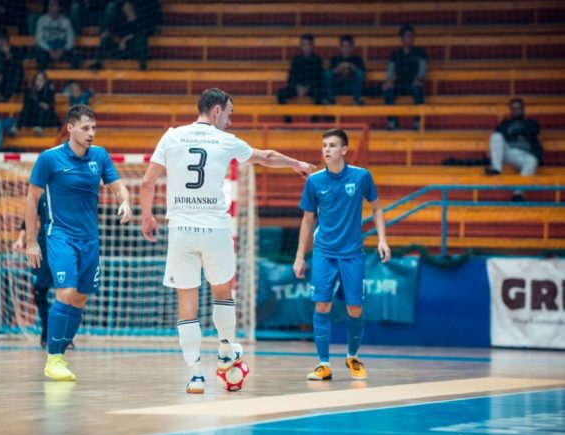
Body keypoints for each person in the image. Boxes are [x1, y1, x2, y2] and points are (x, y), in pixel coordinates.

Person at [140, 88, 314, 394]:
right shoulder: (225, 140)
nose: (230, 121)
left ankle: (195, 374)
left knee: (187, 301)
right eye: (229, 114)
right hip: (216, 229)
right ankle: (224, 349)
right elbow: (266, 157)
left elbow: (147, 181)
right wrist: (296, 163)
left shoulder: (171, 136)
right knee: (222, 291)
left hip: (181, 230)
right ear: (216, 111)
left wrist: (147, 217)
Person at [25, 104, 132, 381]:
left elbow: (118, 186)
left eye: (94, 128)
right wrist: (31, 241)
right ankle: (53, 359)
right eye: (85, 128)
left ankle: (60, 356)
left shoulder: (100, 156)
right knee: (66, 292)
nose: (91, 133)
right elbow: (32, 199)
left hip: (89, 240)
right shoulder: (49, 159)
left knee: (80, 298)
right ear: (70, 128)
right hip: (59, 235)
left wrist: (125, 201)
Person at [293, 128, 391, 382]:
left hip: (352, 254)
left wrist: (382, 239)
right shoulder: (314, 181)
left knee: (354, 308)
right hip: (324, 252)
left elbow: (377, 208)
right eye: (324, 145)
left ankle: (353, 357)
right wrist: (300, 256)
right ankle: (323, 364)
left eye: (333, 145)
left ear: (344, 150)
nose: (327, 149)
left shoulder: (361, 176)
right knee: (322, 305)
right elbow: (307, 220)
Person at [13, 192, 74, 349]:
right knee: (39, 291)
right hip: (43, 247)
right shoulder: (40, 195)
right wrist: (21, 239)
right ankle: (47, 333)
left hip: (62, 245)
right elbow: (29, 217)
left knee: (66, 292)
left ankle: (64, 334)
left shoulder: (67, 192)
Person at [485, 98, 543, 202]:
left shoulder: (531, 122)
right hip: (509, 152)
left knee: (532, 161)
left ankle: (518, 194)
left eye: (518, 108)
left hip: (524, 154)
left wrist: (521, 134)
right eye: (513, 108)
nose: (516, 110)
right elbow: (498, 137)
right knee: (496, 136)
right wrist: (518, 134)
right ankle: (496, 169)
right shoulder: (505, 124)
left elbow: (534, 132)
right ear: (510, 110)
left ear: (523, 109)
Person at [383, 24, 427, 130]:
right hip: (400, 82)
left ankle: (417, 122)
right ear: (402, 38)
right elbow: (390, 69)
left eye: (412, 36)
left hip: (413, 82)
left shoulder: (420, 52)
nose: (410, 39)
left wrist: (418, 79)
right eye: (407, 36)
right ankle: (392, 122)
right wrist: (389, 81)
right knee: (387, 90)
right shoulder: (396, 53)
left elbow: (422, 68)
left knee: (418, 89)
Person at [277, 34, 325, 120]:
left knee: (320, 94)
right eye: (303, 44)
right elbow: (291, 78)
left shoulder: (317, 60)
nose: (306, 47)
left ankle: (314, 122)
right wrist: (297, 87)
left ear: (312, 46)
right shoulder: (296, 60)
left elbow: (318, 78)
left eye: (308, 44)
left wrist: (308, 87)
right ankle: (288, 121)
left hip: (312, 89)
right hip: (297, 89)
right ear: (301, 46)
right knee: (280, 93)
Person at [35, 0, 81, 71]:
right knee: (40, 56)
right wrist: (49, 50)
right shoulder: (42, 20)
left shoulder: (66, 21)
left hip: (62, 47)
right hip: (47, 48)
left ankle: (72, 78)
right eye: (49, 5)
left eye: (53, 5)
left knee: (77, 56)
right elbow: (39, 40)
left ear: (59, 7)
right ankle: (43, 77)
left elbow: (71, 39)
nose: (50, 7)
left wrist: (62, 50)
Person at [15, 71, 59, 136]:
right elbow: (27, 105)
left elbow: (49, 106)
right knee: (27, 108)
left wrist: (38, 103)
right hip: (31, 117)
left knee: (40, 109)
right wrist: (40, 103)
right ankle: (16, 128)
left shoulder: (50, 92)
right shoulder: (28, 91)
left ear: (45, 81)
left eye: (41, 79)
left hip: (46, 118)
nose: (39, 81)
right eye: (38, 79)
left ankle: (38, 128)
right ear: (34, 81)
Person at [325, 35, 365, 105]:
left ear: (352, 47)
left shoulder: (358, 59)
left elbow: (362, 74)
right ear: (340, 48)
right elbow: (328, 75)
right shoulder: (335, 59)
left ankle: (357, 100)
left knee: (360, 73)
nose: (346, 49)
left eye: (348, 46)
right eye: (344, 46)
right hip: (338, 87)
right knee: (327, 74)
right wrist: (337, 69)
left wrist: (352, 67)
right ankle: (331, 100)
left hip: (352, 87)